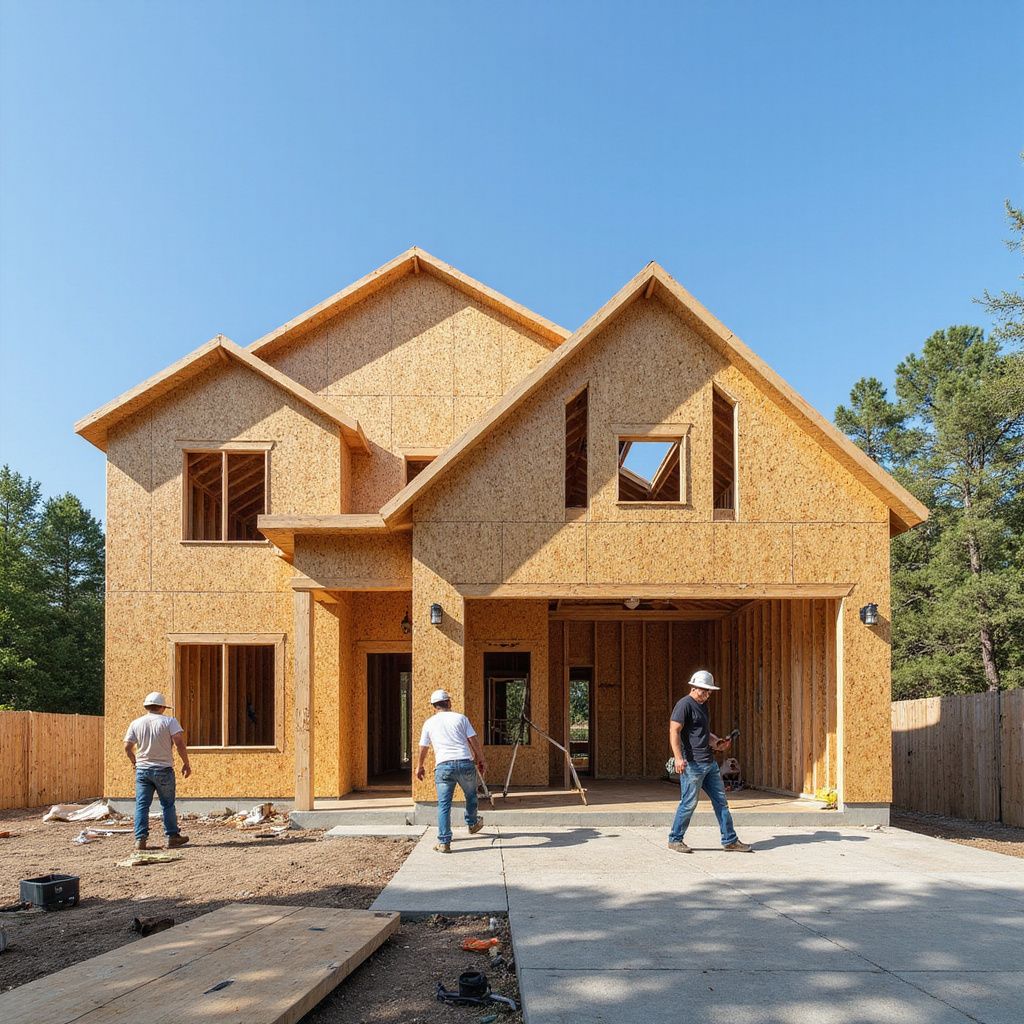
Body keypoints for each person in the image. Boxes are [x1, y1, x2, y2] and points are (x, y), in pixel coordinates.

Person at [667, 670, 752, 853]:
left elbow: (704, 734)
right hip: (692, 764)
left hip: (709, 763)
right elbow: (674, 730)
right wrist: (678, 758)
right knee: (688, 803)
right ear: (693, 687)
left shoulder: (703, 706)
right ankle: (675, 839)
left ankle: (730, 840)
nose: (706, 695)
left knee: (721, 802)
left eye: (709, 692)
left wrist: (718, 743)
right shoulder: (684, 705)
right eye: (704, 691)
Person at [415, 689, 486, 853]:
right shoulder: (461, 718)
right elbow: (472, 740)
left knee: (444, 804)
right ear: (449, 702)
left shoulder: (429, 723)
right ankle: (472, 823)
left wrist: (420, 765)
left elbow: (423, 747)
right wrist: (481, 759)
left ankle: (444, 843)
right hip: (464, 763)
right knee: (471, 795)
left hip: (444, 767)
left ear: (434, 706)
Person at [123, 691, 192, 851]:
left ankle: (140, 840)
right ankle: (172, 837)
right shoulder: (169, 722)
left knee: (142, 805)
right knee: (167, 804)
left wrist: (135, 762)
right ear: (162, 707)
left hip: (143, 770)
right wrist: (186, 763)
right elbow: (180, 743)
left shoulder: (136, 723)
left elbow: (127, 747)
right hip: (163, 769)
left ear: (147, 707)